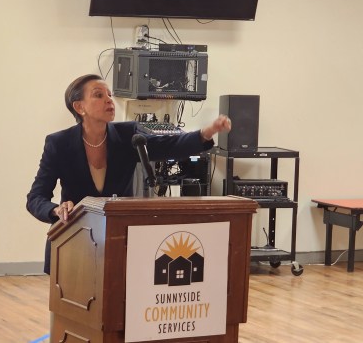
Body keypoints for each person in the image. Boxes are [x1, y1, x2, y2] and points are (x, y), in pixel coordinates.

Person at [26, 74, 231, 274]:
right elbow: (36, 197)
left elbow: (168, 145)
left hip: (119, 240)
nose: (109, 100)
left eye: (110, 95)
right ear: (79, 107)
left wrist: (206, 133)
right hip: (74, 241)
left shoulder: (128, 135)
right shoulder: (59, 144)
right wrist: (56, 210)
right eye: (99, 95)